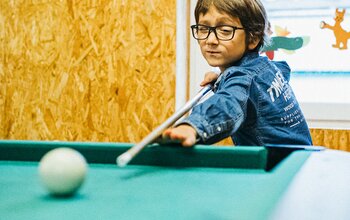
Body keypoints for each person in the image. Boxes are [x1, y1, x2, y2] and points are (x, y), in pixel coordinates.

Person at [163, 0, 313, 147]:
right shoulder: (266, 67)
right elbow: (282, 70)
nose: (211, 40)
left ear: (253, 38)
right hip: (301, 159)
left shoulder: (243, 78)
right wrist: (223, 78)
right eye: (203, 28)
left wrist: (193, 127)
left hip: (279, 167)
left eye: (225, 31)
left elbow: (228, 104)